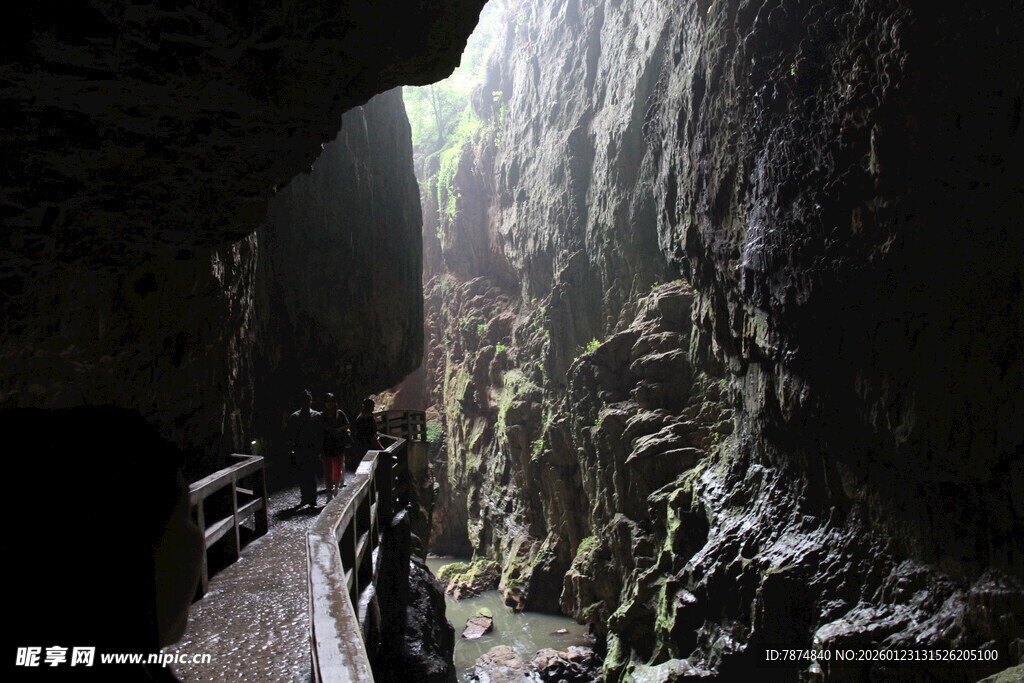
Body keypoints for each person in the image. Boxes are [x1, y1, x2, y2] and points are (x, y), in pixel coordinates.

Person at [287, 389, 324, 508]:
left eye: (308, 401)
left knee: (312, 475)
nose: (307, 403)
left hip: (312, 449)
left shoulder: (317, 416)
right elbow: (290, 435)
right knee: (303, 474)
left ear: (311, 401)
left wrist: (320, 449)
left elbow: (320, 434)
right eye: (304, 401)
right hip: (300, 449)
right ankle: (304, 498)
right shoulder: (295, 417)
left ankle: (312, 499)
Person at [321, 392, 350, 498]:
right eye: (327, 401)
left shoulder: (340, 413)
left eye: (332, 401)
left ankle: (336, 489)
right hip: (326, 445)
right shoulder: (321, 415)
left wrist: (338, 430)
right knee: (328, 469)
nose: (330, 403)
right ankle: (329, 492)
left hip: (338, 445)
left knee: (337, 468)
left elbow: (347, 424)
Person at [348, 397, 384, 471]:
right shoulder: (369, 419)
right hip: (368, 448)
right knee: (369, 468)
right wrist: (381, 448)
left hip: (359, 447)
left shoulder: (360, 417)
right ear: (371, 407)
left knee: (362, 467)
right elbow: (371, 436)